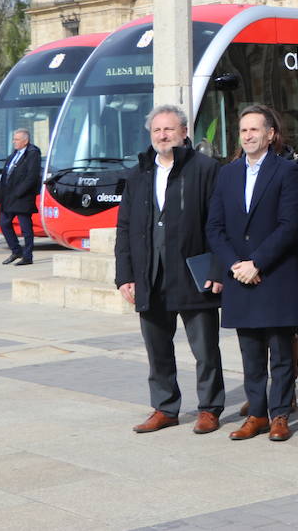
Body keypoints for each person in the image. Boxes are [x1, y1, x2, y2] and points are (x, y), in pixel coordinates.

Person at [114, 105, 225, 435]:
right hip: (150, 274)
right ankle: (164, 407)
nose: (163, 136)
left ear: (184, 132)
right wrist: (125, 275)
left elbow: (219, 224)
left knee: (205, 349)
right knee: (157, 348)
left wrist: (217, 269)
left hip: (193, 274)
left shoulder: (205, 169)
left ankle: (209, 408)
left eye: (169, 129)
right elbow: (125, 227)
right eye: (157, 130)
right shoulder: (139, 173)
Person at [206, 104, 298, 442]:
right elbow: (215, 227)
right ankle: (257, 415)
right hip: (240, 276)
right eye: (243, 130)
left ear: (270, 134)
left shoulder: (286, 171)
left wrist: (257, 263)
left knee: (280, 352)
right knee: (250, 353)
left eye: (254, 129)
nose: (248, 135)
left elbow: (290, 225)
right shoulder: (228, 174)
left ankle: (280, 415)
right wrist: (235, 265)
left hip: (274, 275)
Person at [0, 129, 42, 265]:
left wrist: (18, 192)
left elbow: (32, 177)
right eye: (14, 139)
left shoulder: (32, 153)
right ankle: (16, 250)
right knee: (4, 223)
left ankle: (28, 256)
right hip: (8, 196)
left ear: (25, 141)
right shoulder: (14, 154)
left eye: (17, 139)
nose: (14, 142)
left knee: (25, 227)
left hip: (22, 197)